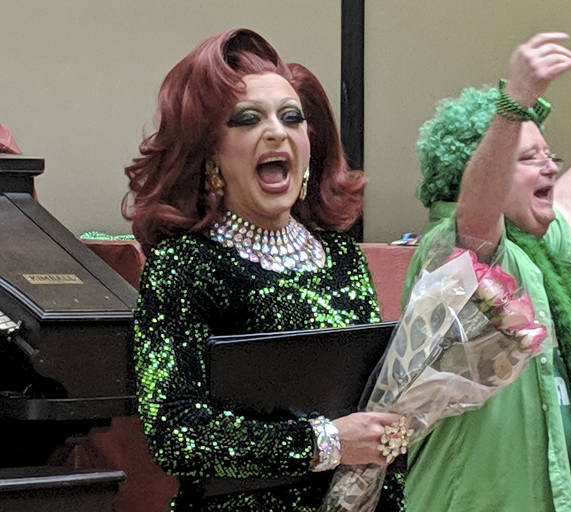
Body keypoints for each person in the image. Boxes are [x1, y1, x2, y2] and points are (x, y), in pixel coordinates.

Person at [123, 28, 405, 512]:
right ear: (211, 154)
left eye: (291, 117)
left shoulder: (342, 255)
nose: (276, 131)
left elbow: (367, 396)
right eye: (248, 119)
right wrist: (327, 442)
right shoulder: (182, 266)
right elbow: (175, 434)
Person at [402, 32, 571, 512]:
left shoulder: (535, 247)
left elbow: (568, 205)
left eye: (549, 155)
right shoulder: (458, 248)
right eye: (528, 158)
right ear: (480, 172)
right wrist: (513, 106)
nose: (549, 167)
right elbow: (478, 209)